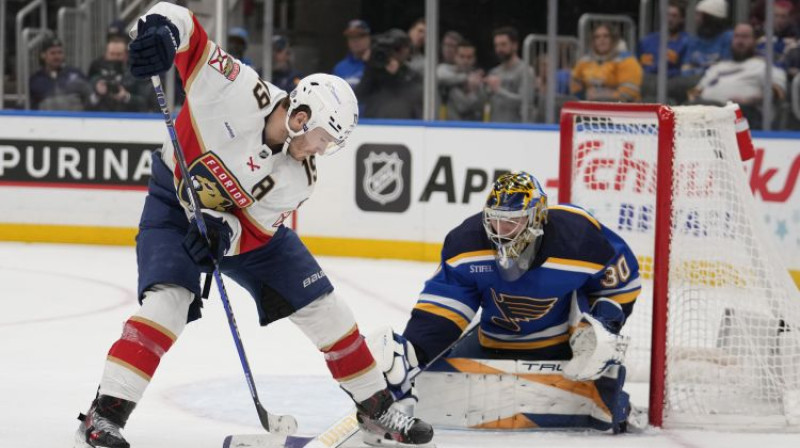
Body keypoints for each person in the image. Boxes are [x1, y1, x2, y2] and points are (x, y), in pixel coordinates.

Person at [73, 3, 433, 448]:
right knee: (168, 303)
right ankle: (104, 415)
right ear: (301, 117)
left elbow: (256, 230)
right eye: (321, 139)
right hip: (173, 203)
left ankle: (376, 408)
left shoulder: (300, 178)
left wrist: (223, 232)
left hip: (245, 234)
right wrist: (163, 31)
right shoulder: (236, 88)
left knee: (326, 308)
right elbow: (185, 24)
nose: (320, 150)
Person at [368, 172, 641, 433]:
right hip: (491, 345)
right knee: (417, 370)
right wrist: (413, 355)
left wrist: (602, 326)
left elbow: (620, 287)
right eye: (495, 220)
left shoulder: (579, 237)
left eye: (512, 222)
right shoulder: (466, 243)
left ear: (537, 217)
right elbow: (443, 312)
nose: (501, 231)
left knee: (610, 408)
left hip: (559, 351)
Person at [689, 23, 787, 128]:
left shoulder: (763, 66)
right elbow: (695, 91)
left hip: (742, 117)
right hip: (707, 114)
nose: (740, 41)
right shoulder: (718, 67)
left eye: (745, 37)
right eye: (736, 36)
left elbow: (779, 92)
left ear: (754, 41)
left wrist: (753, 99)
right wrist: (692, 100)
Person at [355, 28, 423, 119]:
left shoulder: (413, 76)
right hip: (373, 127)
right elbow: (358, 97)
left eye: (398, 49)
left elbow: (414, 99)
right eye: (393, 49)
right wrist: (369, 66)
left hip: (404, 127)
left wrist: (397, 74)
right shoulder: (374, 73)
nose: (395, 53)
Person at [571, 23, 643, 102]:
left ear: (614, 39)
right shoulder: (584, 61)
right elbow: (575, 86)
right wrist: (584, 94)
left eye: (606, 36)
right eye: (597, 37)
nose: (601, 40)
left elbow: (629, 92)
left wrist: (604, 95)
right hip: (590, 106)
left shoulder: (627, 60)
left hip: (623, 108)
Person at [637, 1, 690, 101]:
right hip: (646, 85)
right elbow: (638, 66)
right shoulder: (646, 41)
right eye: (667, 15)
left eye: (674, 16)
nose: (669, 19)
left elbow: (685, 72)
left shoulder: (686, 42)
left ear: (681, 19)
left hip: (671, 86)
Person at [86, 35, 152, 112]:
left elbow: (145, 103)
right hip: (100, 119)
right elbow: (84, 105)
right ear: (106, 54)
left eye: (118, 54)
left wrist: (127, 97)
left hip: (129, 119)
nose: (115, 58)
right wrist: (97, 94)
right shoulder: (96, 72)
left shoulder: (136, 75)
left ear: (126, 55)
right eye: (112, 54)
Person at [485, 26, 534, 122]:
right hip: (494, 127)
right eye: (497, 45)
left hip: (516, 129)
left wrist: (498, 90)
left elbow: (525, 102)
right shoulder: (494, 72)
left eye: (503, 45)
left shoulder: (525, 71)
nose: (499, 49)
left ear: (515, 45)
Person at [29, 36, 91, 110]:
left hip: (75, 121)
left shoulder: (76, 74)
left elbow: (90, 99)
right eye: (52, 53)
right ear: (43, 55)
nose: (57, 56)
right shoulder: (35, 80)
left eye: (60, 52)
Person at [444, 40, 485, 121]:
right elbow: (462, 107)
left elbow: (481, 106)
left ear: (474, 59)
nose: (465, 61)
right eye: (462, 57)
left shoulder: (479, 80)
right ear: (455, 57)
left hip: (474, 128)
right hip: (450, 129)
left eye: (469, 57)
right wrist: (468, 80)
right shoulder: (448, 75)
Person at [333, 19, 371, 88]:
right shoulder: (340, 67)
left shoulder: (378, 64)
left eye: (360, 36)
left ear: (368, 38)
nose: (355, 40)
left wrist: (369, 63)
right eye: (351, 37)